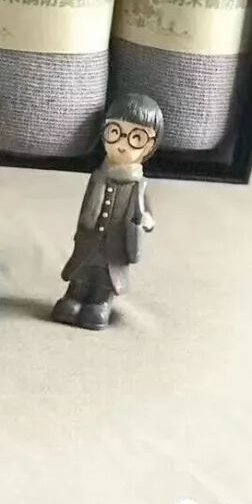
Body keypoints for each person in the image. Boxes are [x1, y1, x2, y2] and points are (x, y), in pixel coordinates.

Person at [52, 92, 163, 331]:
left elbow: (147, 214)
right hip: (89, 241)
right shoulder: (98, 177)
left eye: (135, 137)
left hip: (116, 246)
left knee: (106, 277)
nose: (122, 144)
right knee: (82, 271)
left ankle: (100, 301)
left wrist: (145, 221)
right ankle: (75, 294)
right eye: (115, 132)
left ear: (149, 145)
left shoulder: (138, 185)